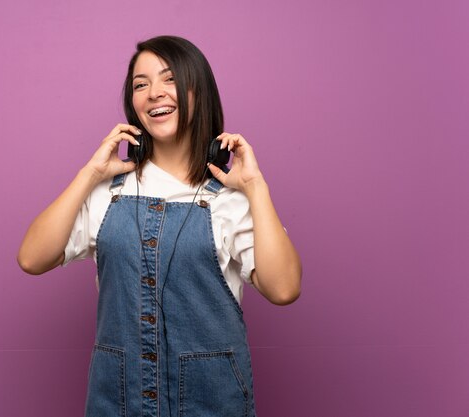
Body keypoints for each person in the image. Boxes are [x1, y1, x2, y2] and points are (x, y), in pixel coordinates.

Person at [18, 35, 301, 417]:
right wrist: (89, 174)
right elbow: (32, 259)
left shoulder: (230, 198)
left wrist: (256, 188)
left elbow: (284, 288)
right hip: (117, 401)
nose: (154, 93)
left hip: (211, 403)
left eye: (169, 79)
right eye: (140, 84)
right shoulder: (108, 192)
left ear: (197, 91)